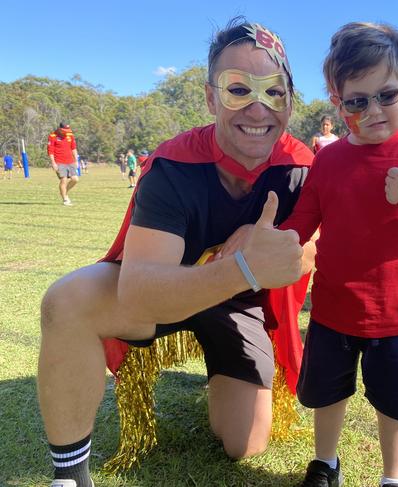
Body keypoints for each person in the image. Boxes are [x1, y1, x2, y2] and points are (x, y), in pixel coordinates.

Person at [38, 18, 316, 487]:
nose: (258, 107)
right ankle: (68, 477)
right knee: (67, 301)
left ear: (290, 100)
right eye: (238, 89)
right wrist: (242, 266)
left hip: (240, 304)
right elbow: (141, 292)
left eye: (275, 91)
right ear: (210, 98)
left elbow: (311, 252)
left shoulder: (301, 167)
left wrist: (285, 250)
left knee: (245, 444)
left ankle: (220, 375)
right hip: (168, 288)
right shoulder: (174, 164)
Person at [282, 22, 398, 487]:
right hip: (332, 310)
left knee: (394, 402)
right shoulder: (326, 160)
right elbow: (301, 222)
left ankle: (395, 477)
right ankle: (325, 463)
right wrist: (278, 239)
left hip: (397, 314)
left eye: (387, 95)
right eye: (357, 101)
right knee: (327, 395)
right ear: (337, 100)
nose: (374, 111)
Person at [47, 122, 79, 205]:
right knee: (64, 180)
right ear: (60, 129)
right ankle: (65, 199)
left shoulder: (70, 135)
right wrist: (53, 163)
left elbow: (74, 148)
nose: (66, 132)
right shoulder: (52, 136)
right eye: (64, 130)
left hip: (70, 161)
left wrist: (76, 160)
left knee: (75, 179)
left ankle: (64, 192)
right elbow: (50, 151)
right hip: (59, 162)